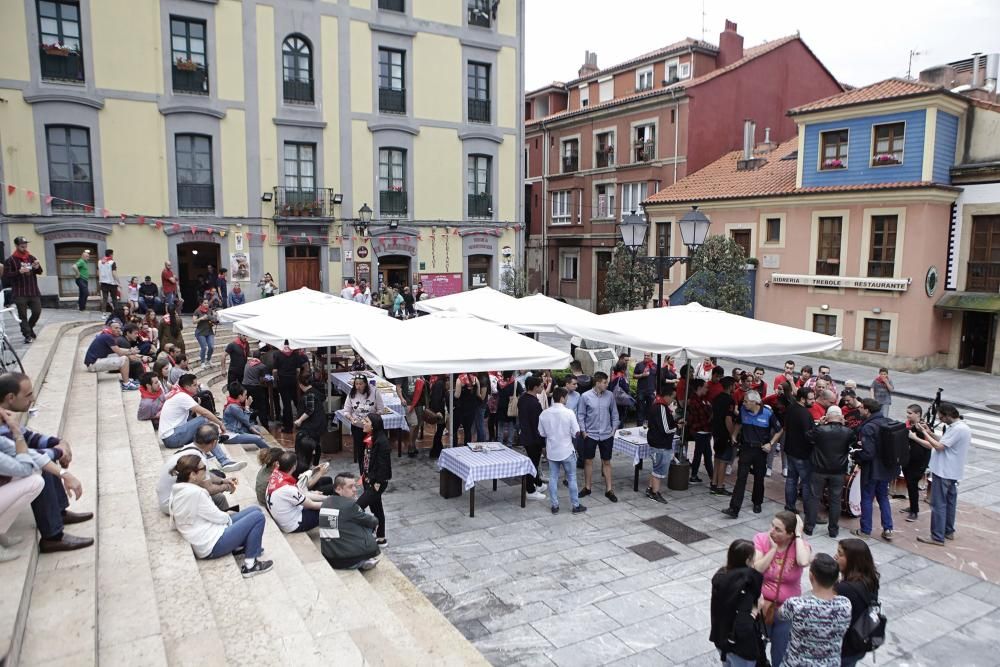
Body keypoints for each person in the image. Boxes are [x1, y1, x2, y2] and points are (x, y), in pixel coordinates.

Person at [0, 373, 91, 554]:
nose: (33, 399)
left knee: (46, 458)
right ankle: (52, 536)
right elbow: (28, 458)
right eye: (28, 395)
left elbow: (30, 438)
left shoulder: (4, 418)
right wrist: (59, 452)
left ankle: (58, 512)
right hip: (9, 471)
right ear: (10, 398)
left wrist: (58, 443)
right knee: (39, 472)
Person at [168, 454, 273, 578]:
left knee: (255, 510)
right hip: (211, 545)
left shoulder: (178, 489)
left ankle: (243, 545)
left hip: (207, 533)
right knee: (257, 517)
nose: (205, 472)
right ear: (192, 475)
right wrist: (229, 520)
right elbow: (218, 517)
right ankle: (251, 565)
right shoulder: (196, 493)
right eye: (203, 469)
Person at [753, 511, 813, 667]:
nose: (771, 531)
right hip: (762, 607)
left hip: (786, 612)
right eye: (772, 525)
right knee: (755, 650)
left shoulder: (800, 546)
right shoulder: (761, 539)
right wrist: (773, 550)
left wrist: (799, 536)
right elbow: (758, 568)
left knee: (780, 653)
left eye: (778, 529)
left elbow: (803, 561)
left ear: (790, 534)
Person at [158, 373, 246, 472]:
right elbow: (205, 412)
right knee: (203, 420)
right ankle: (224, 461)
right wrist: (220, 423)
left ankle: (207, 450)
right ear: (187, 387)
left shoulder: (179, 394)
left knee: (201, 427)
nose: (197, 387)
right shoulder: (182, 396)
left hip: (172, 435)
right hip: (172, 437)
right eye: (194, 385)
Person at [777, 553, 852, 667]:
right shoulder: (845, 604)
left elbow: (781, 615)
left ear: (811, 576)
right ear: (837, 578)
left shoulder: (796, 605)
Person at [914, 403, 971, 546]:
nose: (940, 419)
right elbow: (945, 441)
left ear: (947, 415)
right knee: (950, 502)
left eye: (941, 416)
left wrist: (925, 433)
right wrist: (930, 432)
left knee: (938, 504)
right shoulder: (960, 428)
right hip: (952, 471)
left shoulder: (957, 429)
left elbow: (940, 447)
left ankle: (937, 536)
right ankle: (948, 530)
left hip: (944, 471)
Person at [723, 391, 783, 518]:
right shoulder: (744, 411)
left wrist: (771, 443)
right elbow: (739, 423)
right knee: (741, 478)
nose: (743, 403)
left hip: (760, 450)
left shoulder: (767, 413)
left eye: (746, 401)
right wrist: (734, 434)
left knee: (759, 477)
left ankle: (757, 502)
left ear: (755, 402)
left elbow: (780, 430)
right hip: (746, 448)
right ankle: (734, 508)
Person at [709, 539, 764, 667]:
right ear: (747, 561)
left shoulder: (721, 576)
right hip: (740, 647)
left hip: (720, 638)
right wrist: (756, 610)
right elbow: (744, 624)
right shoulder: (747, 585)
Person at [538, 387, 586, 514]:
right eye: (566, 397)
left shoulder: (544, 413)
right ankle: (575, 505)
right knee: (571, 478)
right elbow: (576, 432)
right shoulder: (569, 413)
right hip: (567, 450)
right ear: (562, 398)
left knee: (553, 478)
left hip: (552, 450)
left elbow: (542, 433)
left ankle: (554, 505)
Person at [852, 398, 894, 541]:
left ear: (868, 410)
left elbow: (868, 453)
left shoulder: (868, 427)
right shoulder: (887, 421)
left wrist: (856, 455)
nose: (860, 410)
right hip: (886, 468)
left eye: (862, 408)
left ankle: (865, 530)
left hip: (872, 470)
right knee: (883, 497)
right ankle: (888, 528)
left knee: (867, 498)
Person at [320, 471, 381, 571]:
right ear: (338, 489)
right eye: (350, 487)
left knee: (354, 522)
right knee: (367, 525)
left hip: (329, 554)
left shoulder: (326, 501)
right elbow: (373, 521)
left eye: (354, 486)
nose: (354, 490)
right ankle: (362, 561)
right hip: (344, 559)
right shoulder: (349, 505)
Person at [835, 538, 881, 666]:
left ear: (852, 559)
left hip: (845, 647)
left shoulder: (845, 589)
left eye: (840, 554)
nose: (836, 557)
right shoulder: (871, 579)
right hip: (859, 642)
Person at [577, 371, 620, 502]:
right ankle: (587, 487)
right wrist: (584, 432)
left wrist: (613, 430)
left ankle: (609, 490)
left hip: (607, 435)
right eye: (605, 382)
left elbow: (614, 414)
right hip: (591, 434)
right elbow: (581, 415)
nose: (607, 384)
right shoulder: (585, 396)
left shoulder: (610, 395)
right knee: (588, 461)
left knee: (606, 461)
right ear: (598, 383)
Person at [266, 450, 324, 533]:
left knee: (318, 502)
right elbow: (312, 505)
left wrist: (314, 470)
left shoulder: (275, 475)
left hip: (285, 516)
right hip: (292, 525)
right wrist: (333, 503)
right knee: (329, 511)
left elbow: (300, 493)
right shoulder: (288, 489)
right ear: (294, 467)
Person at [781, 387, 816, 512]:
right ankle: (809, 511)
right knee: (806, 483)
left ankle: (789, 506)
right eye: (811, 399)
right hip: (802, 454)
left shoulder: (791, 408)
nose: (813, 401)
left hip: (790, 450)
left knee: (791, 479)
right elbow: (809, 435)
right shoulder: (805, 414)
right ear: (802, 399)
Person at [357, 413, 391, 546]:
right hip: (368, 480)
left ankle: (365, 531)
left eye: (366, 421)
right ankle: (381, 538)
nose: (363, 423)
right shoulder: (370, 437)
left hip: (376, 483)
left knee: (358, 507)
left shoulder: (382, 442)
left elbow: (384, 466)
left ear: (374, 425)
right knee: (377, 509)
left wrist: (377, 483)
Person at [4, 236, 44, 343]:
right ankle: (27, 335)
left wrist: (37, 267)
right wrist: (19, 272)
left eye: (25, 243)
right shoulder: (10, 260)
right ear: (17, 245)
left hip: (33, 291)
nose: (24, 245)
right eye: (22, 244)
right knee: (23, 316)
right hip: (20, 292)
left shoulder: (31, 257)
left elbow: (40, 271)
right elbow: (7, 275)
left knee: (37, 312)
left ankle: (29, 329)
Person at [644, 383, 678, 505]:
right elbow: (666, 429)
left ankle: (650, 489)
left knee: (655, 468)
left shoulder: (656, 403)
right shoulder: (661, 407)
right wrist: (677, 426)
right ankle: (655, 493)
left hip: (656, 442)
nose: (673, 400)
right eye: (673, 397)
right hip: (660, 444)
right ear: (667, 396)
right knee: (659, 470)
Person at [82, 320, 140, 391]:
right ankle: (126, 384)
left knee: (122, 357)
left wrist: (131, 351)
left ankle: (127, 380)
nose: (118, 330)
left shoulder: (106, 334)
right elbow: (120, 353)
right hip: (93, 364)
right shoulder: (108, 337)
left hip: (94, 361)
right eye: (116, 328)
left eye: (119, 328)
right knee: (124, 359)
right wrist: (131, 352)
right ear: (110, 328)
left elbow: (118, 349)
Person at [517, 376, 548, 500]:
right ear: (535, 387)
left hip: (526, 435)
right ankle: (530, 490)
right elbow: (537, 425)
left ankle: (538, 483)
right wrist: (542, 442)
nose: (542, 388)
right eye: (541, 386)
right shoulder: (534, 403)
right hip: (533, 438)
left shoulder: (523, 399)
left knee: (533, 462)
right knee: (533, 464)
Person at [900, 404, 931, 523]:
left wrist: (914, 438)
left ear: (918, 414)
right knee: (909, 484)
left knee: (912, 484)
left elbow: (929, 445)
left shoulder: (923, 427)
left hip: (919, 462)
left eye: (910, 413)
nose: (907, 415)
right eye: (907, 413)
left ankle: (914, 511)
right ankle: (912, 506)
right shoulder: (909, 425)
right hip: (908, 460)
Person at [344, 373, 385, 463]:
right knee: (361, 453)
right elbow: (346, 411)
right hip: (358, 428)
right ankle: (362, 473)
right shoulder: (352, 393)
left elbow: (381, 410)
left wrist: (371, 419)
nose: (358, 386)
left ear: (365, 384)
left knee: (373, 452)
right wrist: (351, 418)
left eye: (360, 384)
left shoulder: (374, 392)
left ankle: (372, 471)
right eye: (356, 384)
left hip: (371, 428)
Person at [710, 377, 737, 496]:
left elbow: (712, 415)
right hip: (724, 433)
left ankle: (714, 482)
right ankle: (720, 486)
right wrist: (733, 435)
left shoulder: (716, 398)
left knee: (717, 457)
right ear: (731, 386)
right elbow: (728, 419)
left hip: (716, 431)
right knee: (724, 460)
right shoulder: (730, 400)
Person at [221, 383, 269, 451]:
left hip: (237, 429)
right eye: (245, 395)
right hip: (231, 434)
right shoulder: (233, 407)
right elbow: (246, 419)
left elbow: (245, 421)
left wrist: (252, 428)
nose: (246, 397)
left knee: (256, 428)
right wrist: (247, 406)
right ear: (240, 396)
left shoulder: (233, 403)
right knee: (257, 438)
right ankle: (270, 453)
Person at [273, 342, 308, 433]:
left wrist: (275, 381)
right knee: (297, 401)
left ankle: (288, 427)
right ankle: (303, 422)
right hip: (292, 380)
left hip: (282, 381)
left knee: (286, 403)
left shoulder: (278, 354)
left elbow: (275, 371)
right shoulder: (295, 354)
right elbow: (298, 370)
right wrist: (295, 379)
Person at [294, 376, 328, 469]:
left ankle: (306, 464)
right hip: (318, 423)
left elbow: (309, 410)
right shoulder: (316, 391)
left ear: (300, 385)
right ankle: (315, 464)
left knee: (307, 444)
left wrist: (299, 420)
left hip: (312, 425)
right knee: (316, 443)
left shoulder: (309, 394)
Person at [683, 379, 713, 484]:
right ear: (699, 388)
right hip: (701, 431)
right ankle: (712, 477)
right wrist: (710, 417)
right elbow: (702, 418)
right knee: (706, 454)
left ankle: (695, 476)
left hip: (702, 431)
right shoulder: (695, 401)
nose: (707, 389)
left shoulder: (700, 399)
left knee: (700, 453)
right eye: (705, 387)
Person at [454, 372, 482, 446]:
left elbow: (457, 395)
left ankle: (454, 448)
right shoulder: (476, 379)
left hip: (460, 409)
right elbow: (478, 394)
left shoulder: (459, 379)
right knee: (468, 430)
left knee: (455, 429)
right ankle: (467, 449)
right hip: (471, 408)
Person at [427, 375, 449, 458]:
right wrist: (437, 412)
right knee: (440, 430)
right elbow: (436, 399)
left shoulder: (440, 383)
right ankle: (435, 451)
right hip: (440, 411)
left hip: (441, 410)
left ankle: (438, 449)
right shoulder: (440, 384)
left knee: (440, 430)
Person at [632, 353, 657, 427]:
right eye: (645, 355)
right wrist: (642, 375)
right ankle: (639, 426)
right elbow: (634, 376)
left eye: (648, 356)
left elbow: (657, 379)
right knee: (640, 409)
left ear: (651, 356)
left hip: (651, 391)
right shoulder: (639, 365)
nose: (646, 357)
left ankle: (649, 426)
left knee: (650, 410)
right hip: (641, 391)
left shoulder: (655, 366)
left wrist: (656, 390)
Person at [192, 299, 218, 369]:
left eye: (207, 303)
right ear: (202, 304)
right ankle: (202, 362)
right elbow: (194, 321)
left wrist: (214, 316)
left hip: (209, 331)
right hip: (200, 332)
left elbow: (214, 320)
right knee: (203, 347)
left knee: (211, 347)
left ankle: (208, 360)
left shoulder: (210, 310)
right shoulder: (197, 311)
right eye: (205, 303)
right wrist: (201, 318)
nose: (206, 304)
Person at [97, 248, 120, 312]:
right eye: (112, 254)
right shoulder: (112, 262)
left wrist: (100, 280)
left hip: (103, 283)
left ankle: (104, 314)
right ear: (111, 254)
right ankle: (116, 313)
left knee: (105, 299)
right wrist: (119, 282)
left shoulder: (99, 262)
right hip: (112, 283)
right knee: (114, 299)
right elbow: (114, 273)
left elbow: (98, 272)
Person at [70, 247, 90, 312]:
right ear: (83, 256)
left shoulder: (84, 262)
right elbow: (74, 266)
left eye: (88, 256)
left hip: (84, 280)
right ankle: (82, 308)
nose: (88, 258)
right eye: (87, 256)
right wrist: (78, 273)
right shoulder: (81, 261)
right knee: (85, 293)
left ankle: (81, 307)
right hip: (81, 279)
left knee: (82, 293)